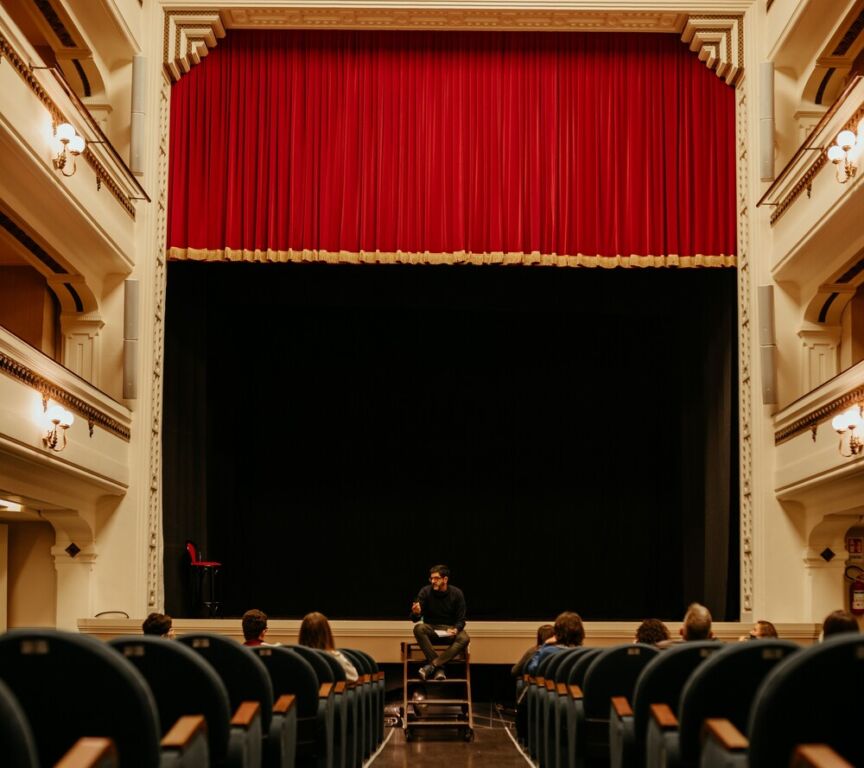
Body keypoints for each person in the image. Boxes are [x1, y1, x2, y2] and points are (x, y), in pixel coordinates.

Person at [410, 564, 469, 681]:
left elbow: (461, 619)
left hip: (449, 630)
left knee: (464, 638)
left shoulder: (457, 593)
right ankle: (439, 668)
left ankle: (432, 666)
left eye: (436, 578)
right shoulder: (425, 591)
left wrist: (456, 629)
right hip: (432, 629)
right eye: (431, 578)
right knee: (418, 628)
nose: (433, 581)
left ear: (445, 579)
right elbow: (414, 619)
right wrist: (416, 613)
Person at [298, 611, 359, 682]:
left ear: (302, 634)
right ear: (327, 634)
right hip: (332, 692)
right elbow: (354, 677)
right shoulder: (335, 658)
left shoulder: (295, 659)